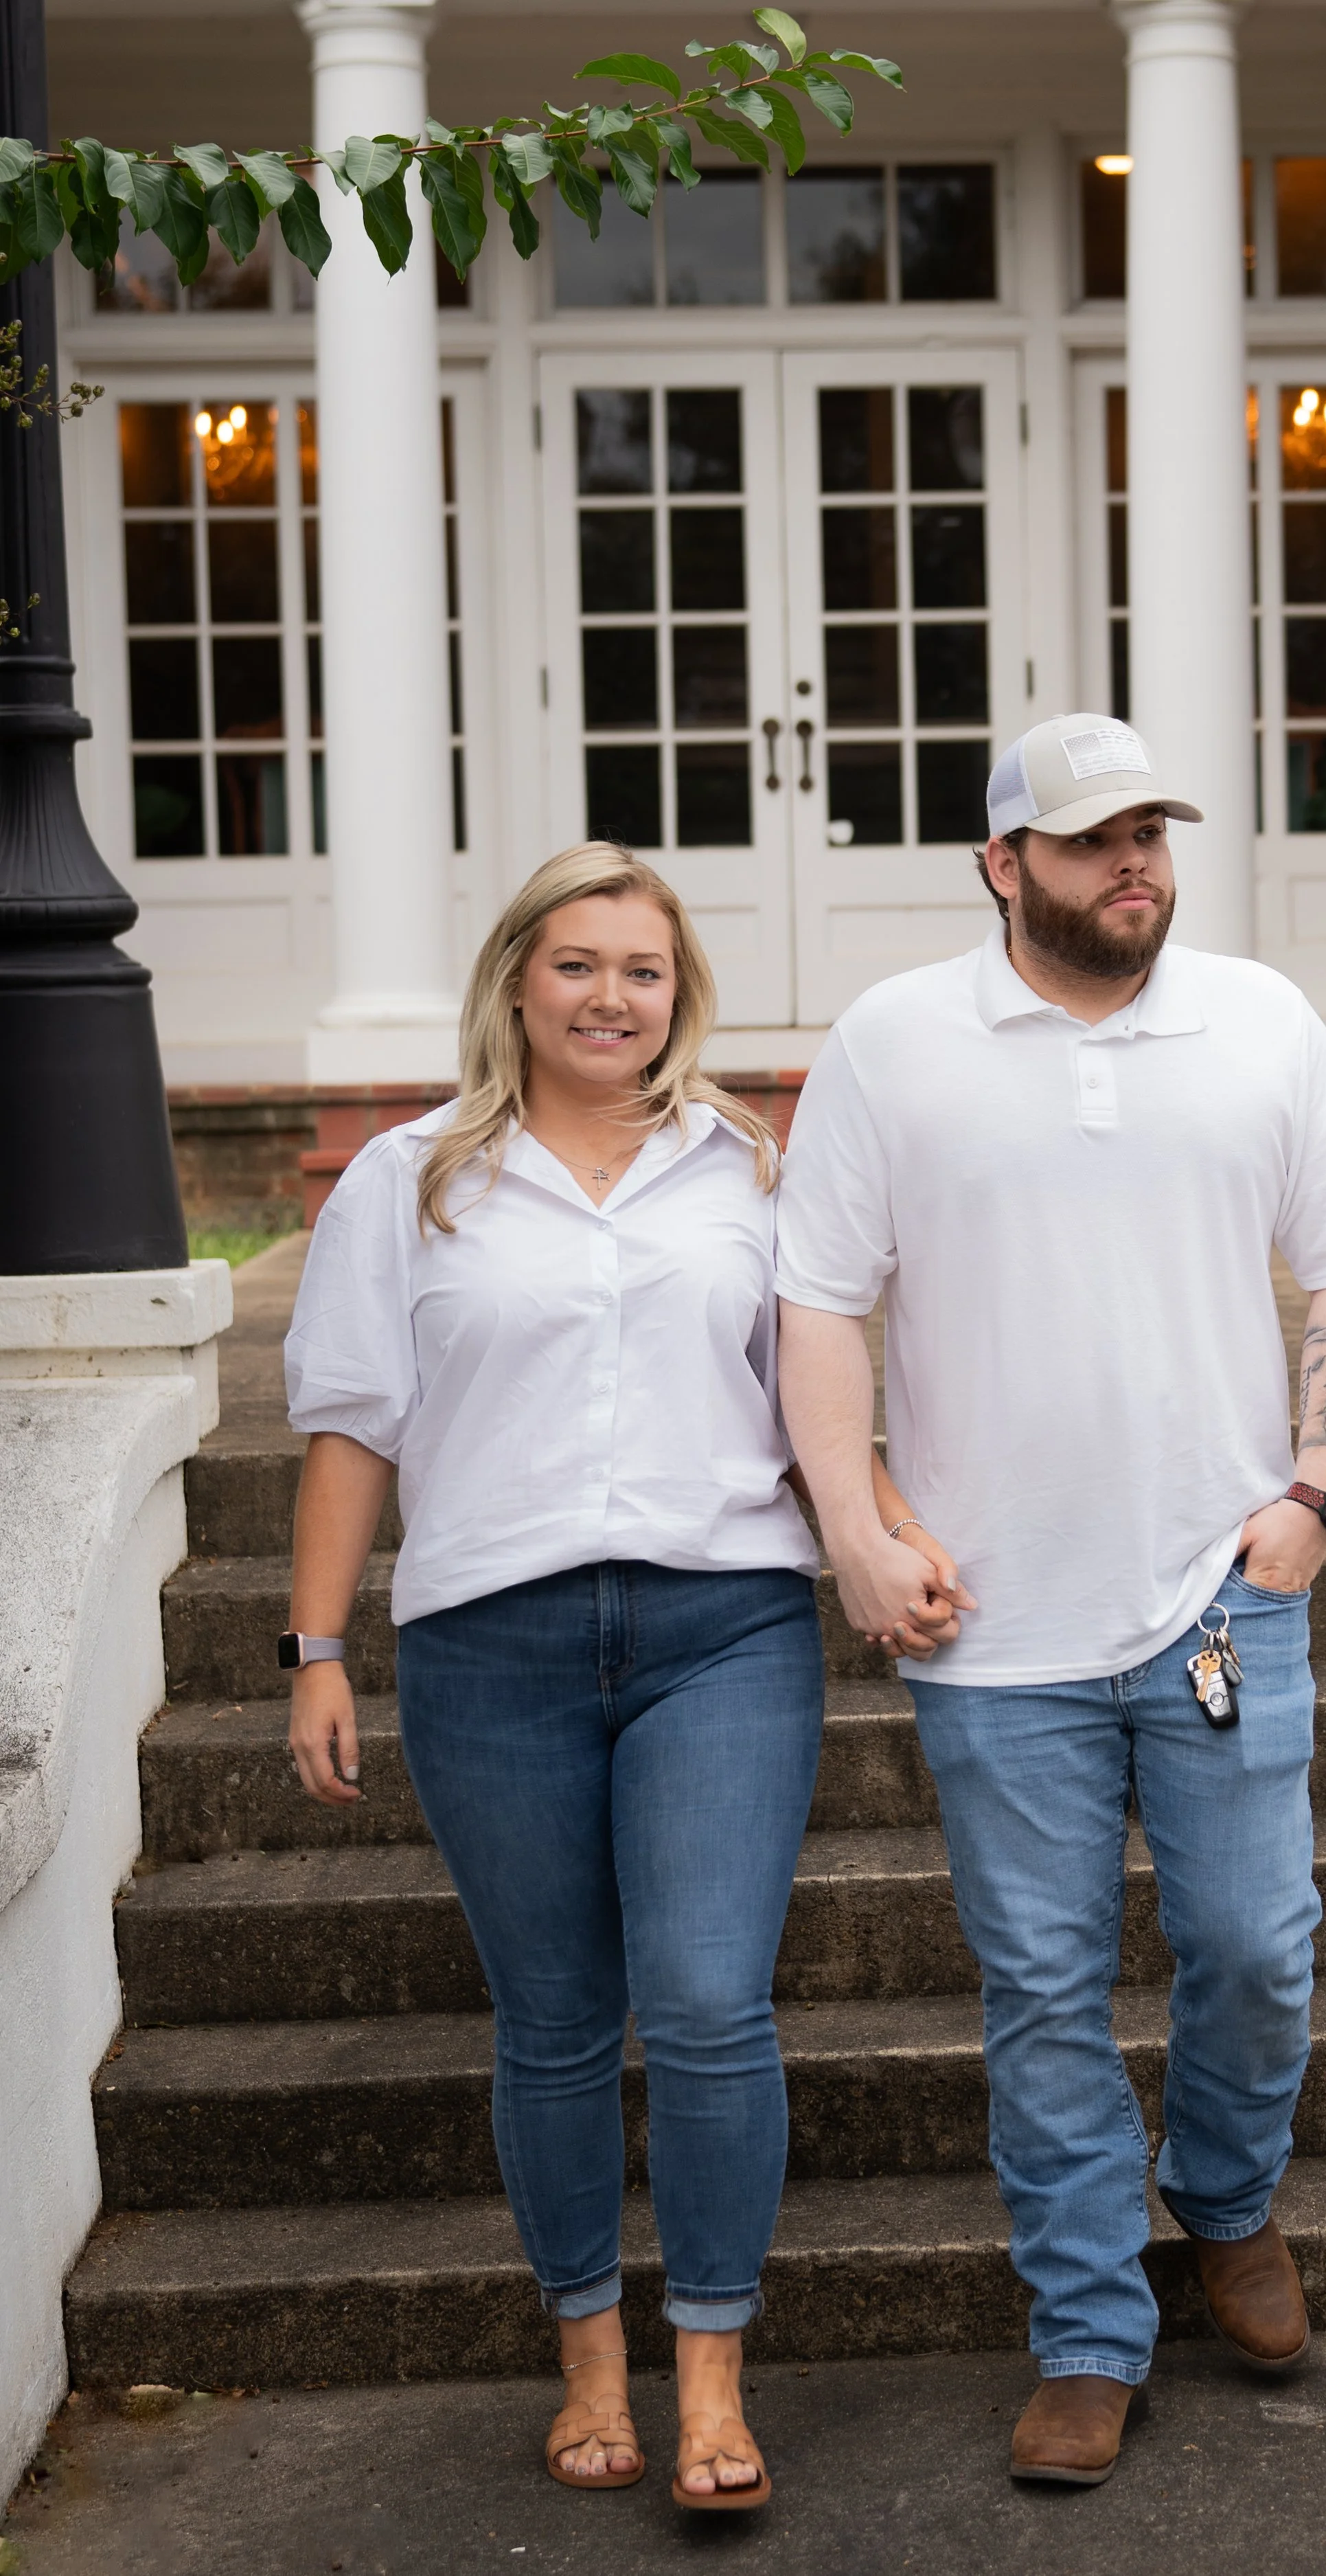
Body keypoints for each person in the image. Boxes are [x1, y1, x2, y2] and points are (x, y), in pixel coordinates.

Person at [775, 714, 1326, 2485]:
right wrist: (854, 1523)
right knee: (1043, 1988)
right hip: (987, 1627)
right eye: (1087, 840)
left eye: (1148, 831)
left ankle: (1221, 2201)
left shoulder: (1257, 1022)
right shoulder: (893, 1046)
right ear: (1001, 866)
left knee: (1252, 1948)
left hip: (1219, 1598)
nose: (1131, 862)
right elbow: (817, 1304)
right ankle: (1083, 2324)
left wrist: (1309, 1500)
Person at [281, 844, 959, 2510]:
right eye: (577, 964)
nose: (610, 997)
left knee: (714, 2004)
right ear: (517, 979)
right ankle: (591, 2363)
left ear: (680, 994)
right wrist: (313, 1648)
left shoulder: (746, 1168)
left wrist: (880, 1527)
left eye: (642, 970)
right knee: (560, 2023)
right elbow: (353, 1422)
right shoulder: (411, 1179)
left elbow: (806, 1391)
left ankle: (712, 2380)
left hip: (717, 1626)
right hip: (484, 1646)